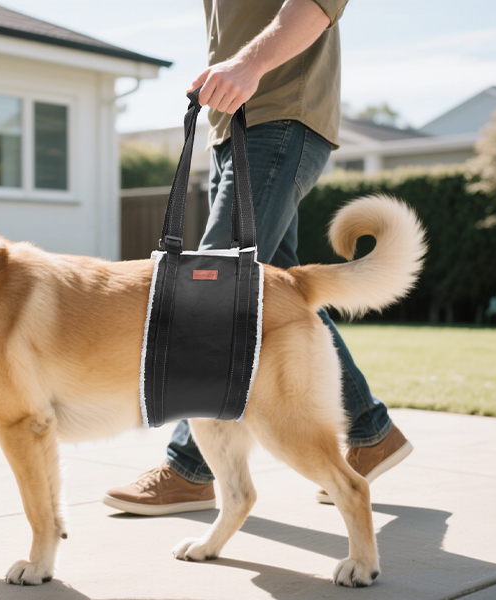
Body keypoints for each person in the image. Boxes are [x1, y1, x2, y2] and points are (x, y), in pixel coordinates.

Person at [102, 0, 412, 515]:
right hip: (236, 126)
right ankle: (371, 430)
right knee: (282, 294)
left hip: (278, 115)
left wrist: (248, 65)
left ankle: (191, 468)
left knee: (211, 291)